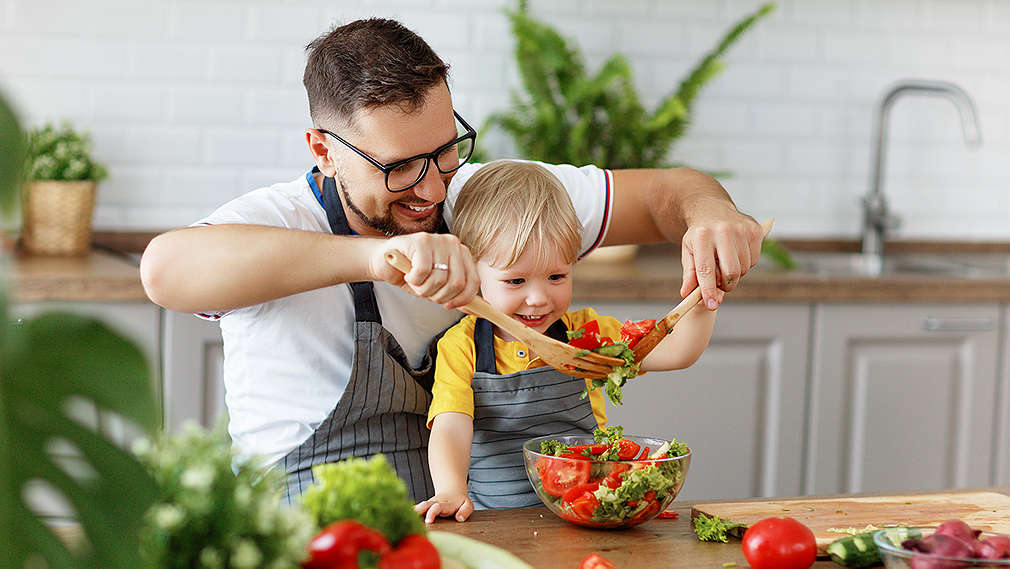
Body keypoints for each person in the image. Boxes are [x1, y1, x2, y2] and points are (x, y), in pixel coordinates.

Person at [139, 18, 764, 503]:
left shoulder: (492, 200)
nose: (433, 188)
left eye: (445, 150)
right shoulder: (275, 219)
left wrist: (710, 213)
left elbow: (667, 193)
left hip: (462, 521)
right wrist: (377, 257)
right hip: (304, 521)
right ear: (324, 151)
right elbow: (164, 271)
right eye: (398, 167)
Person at [413, 160, 716, 522]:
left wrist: (705, 297)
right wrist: (450, 490)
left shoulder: (588, 333)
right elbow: (451, 424)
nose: (538, 298)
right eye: (515, 281)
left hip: (586, 514)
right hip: (495, 521)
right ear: (473, 273)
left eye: (556, 276)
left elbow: (677, 352)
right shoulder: (461, 346)